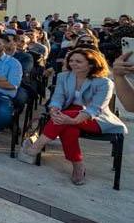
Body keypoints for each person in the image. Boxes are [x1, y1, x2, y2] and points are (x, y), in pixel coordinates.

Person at [19, 49, 127, 185]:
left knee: (65, 120)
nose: (73, 64)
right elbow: (58, 97)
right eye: (71, 61)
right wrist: (54, 109)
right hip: (67, 115)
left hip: (96, 119)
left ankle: (36, 146)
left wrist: (74, 119)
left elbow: (95, 108)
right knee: (69, 129)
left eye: (78, 61)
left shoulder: (104, 83)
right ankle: (78, 165)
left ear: (92, 64)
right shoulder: (64, 76)